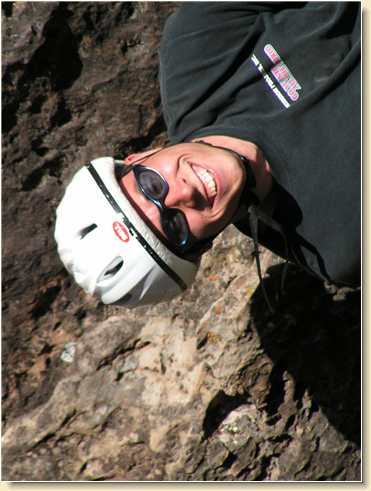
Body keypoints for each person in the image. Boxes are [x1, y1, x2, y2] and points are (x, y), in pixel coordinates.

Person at [55, 2, 361, 309]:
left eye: (151, 185)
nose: (184, 191)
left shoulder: (197, 52)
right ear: (202, 248)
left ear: (136, 158)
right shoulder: (339, 242)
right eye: (175, 225)